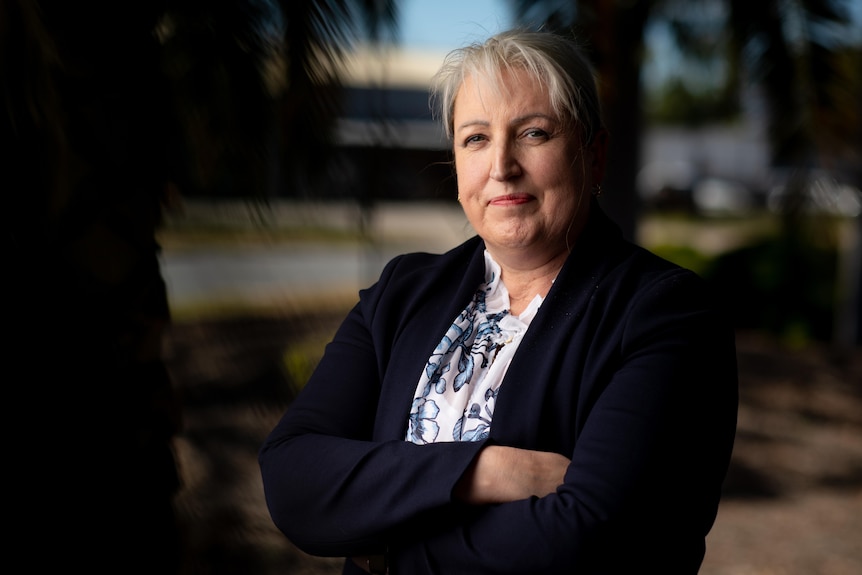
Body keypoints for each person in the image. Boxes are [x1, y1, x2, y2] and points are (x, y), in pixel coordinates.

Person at [259, 28, 738, 574]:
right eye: (476, 139)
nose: (501, 165)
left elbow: (593, 540)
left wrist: (391, 548)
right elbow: (291, 475)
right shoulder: (402, 294)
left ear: (594, 154)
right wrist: (484, 473)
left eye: (534, 133)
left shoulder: (666, 313)